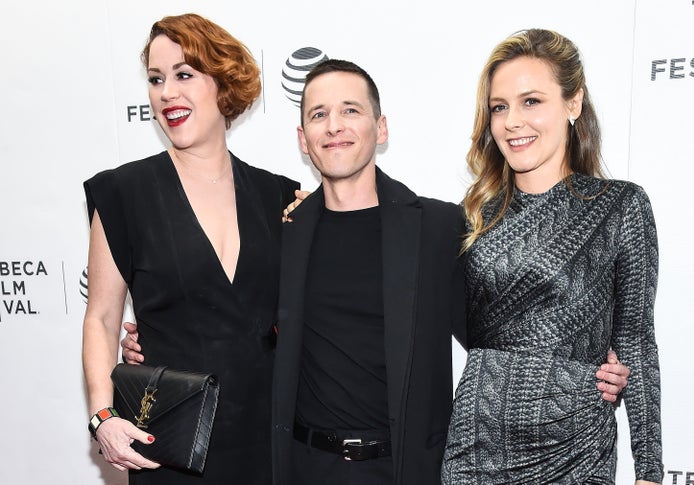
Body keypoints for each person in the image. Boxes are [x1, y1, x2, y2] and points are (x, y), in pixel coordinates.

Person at [122, 59, 631, 484]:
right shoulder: (282, 231)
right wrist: (158, 341)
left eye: (350, 110)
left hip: (404, 469)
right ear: (303, 138)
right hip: (302, 467)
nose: (334, 125)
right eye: (318, 114)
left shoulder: (439, 225)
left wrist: (587, 364)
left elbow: (496, 327)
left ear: (380, 128)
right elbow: (227, 316)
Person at [81, 13, 299, 484]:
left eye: (184, 75)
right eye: (157, 79)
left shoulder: (279, 197)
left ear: (222, 84)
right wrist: (103, 417)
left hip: (270, 438)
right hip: (171, 444)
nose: (166, 93)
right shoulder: (123, 194)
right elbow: (100, 317)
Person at [441, 29, 662, 484]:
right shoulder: (473, 215)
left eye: (531, 101)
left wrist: (650, 471)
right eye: (499, 107)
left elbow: (636, 344)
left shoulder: (620, 206)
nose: (512, 122)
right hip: (477, 445)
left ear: (573, 104)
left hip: (576, 448)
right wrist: (309, 208)